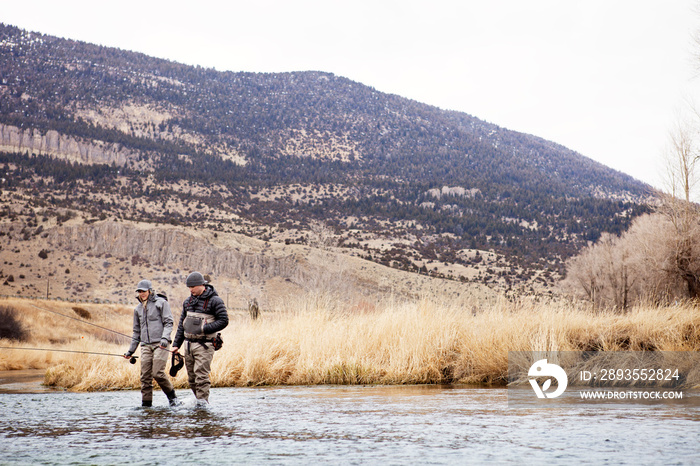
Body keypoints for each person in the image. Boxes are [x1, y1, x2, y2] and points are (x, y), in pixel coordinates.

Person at [172, 272, 229, 405]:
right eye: (189, 287)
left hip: (205, 345)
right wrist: (176, 344)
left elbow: (224, 321)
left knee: (201, 376)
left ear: (202, 285)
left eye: (193, 287)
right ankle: (199, 404)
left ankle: (203, 407)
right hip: (188, 345)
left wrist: (204, 329)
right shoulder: (187, 301)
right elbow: (182, 324)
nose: (191, 290)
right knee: (191, 378)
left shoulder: (215, 301)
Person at [124, 279, 178, 407]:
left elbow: (169, 322)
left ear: (150, 290)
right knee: (145, 377)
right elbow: (136, 332)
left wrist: (165, 338)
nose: (142, 293)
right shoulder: (137, 309)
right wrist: (130, 351)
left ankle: (173, 399)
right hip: (145, 345)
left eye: (144, 291)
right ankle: (146, 406)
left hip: (161, 344)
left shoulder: (161, 303)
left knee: (157, 373)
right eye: (139, 291)